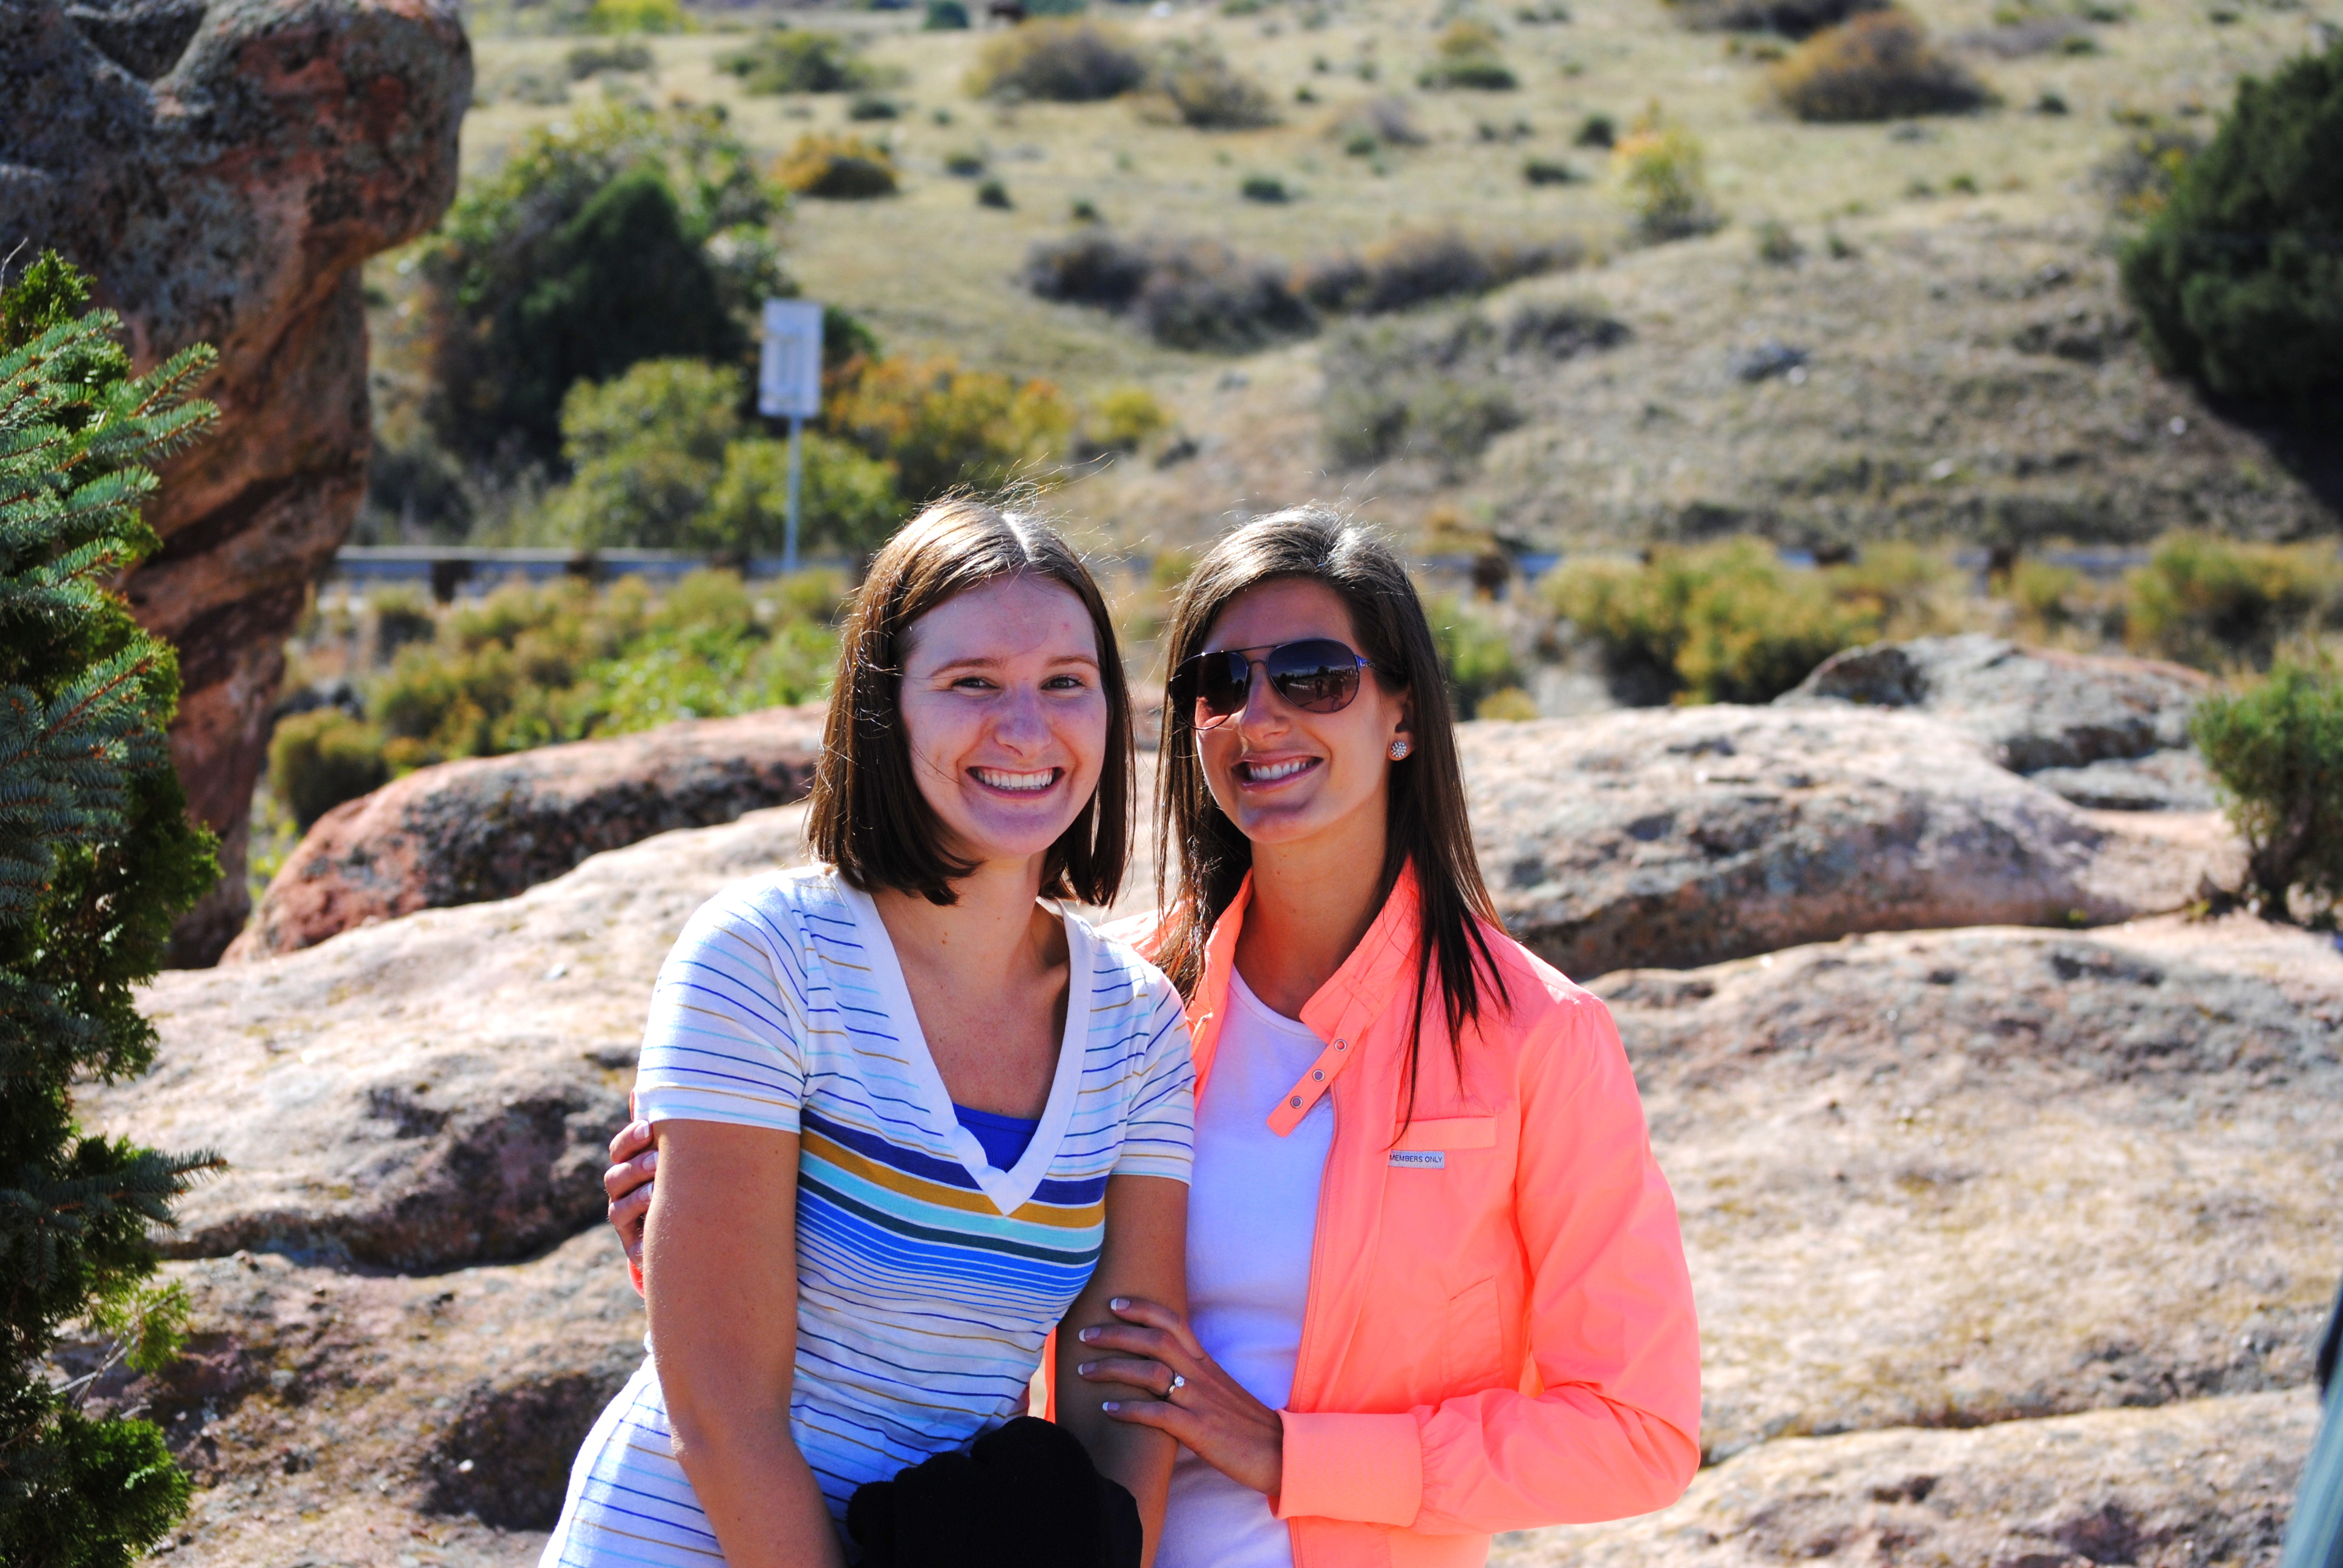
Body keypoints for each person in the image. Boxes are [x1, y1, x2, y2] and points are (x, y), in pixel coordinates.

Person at [606, 506, 1702, 1567]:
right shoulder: (1137, 1006)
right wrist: (718, 1229)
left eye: (1315, 674)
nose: (1260, 715)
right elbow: (945, 1308)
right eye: (1221, 682)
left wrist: (1291, 1454)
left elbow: (1641, 1433)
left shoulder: (1536, 1037)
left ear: (1404, 712)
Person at [544, 501, 1195, 1568]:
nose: (1026, 728)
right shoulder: (764, 958)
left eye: (1066, 682)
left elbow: (1124, 1399)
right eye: (972, 682)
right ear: (883, 706)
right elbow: (723, 1415)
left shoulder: (1138, 1027)